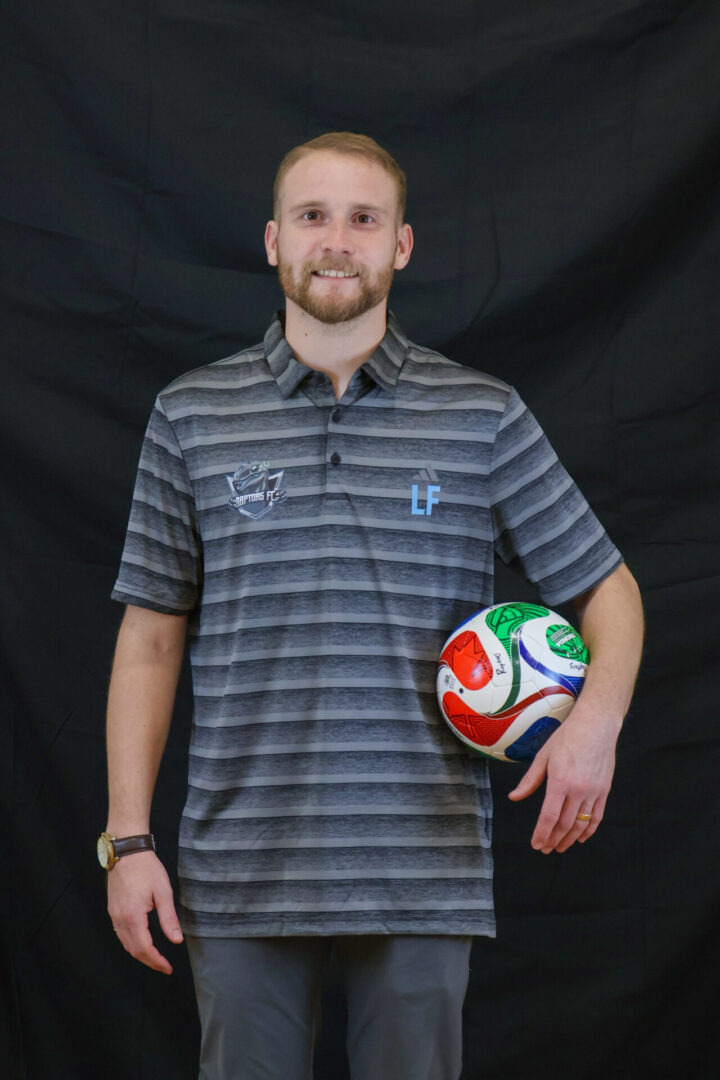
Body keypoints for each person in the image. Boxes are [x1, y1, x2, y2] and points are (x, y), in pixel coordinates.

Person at [101, 132, 644, 1080]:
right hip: (240, 871)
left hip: (422, 869)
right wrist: (129, 843)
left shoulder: (482, 415)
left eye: (364, 219)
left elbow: (612, 590)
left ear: (401, 246)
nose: (336, 240)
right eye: (313, 216)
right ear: (275, 241)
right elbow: (149, 639)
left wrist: (594, 725)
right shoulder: (191, 415)